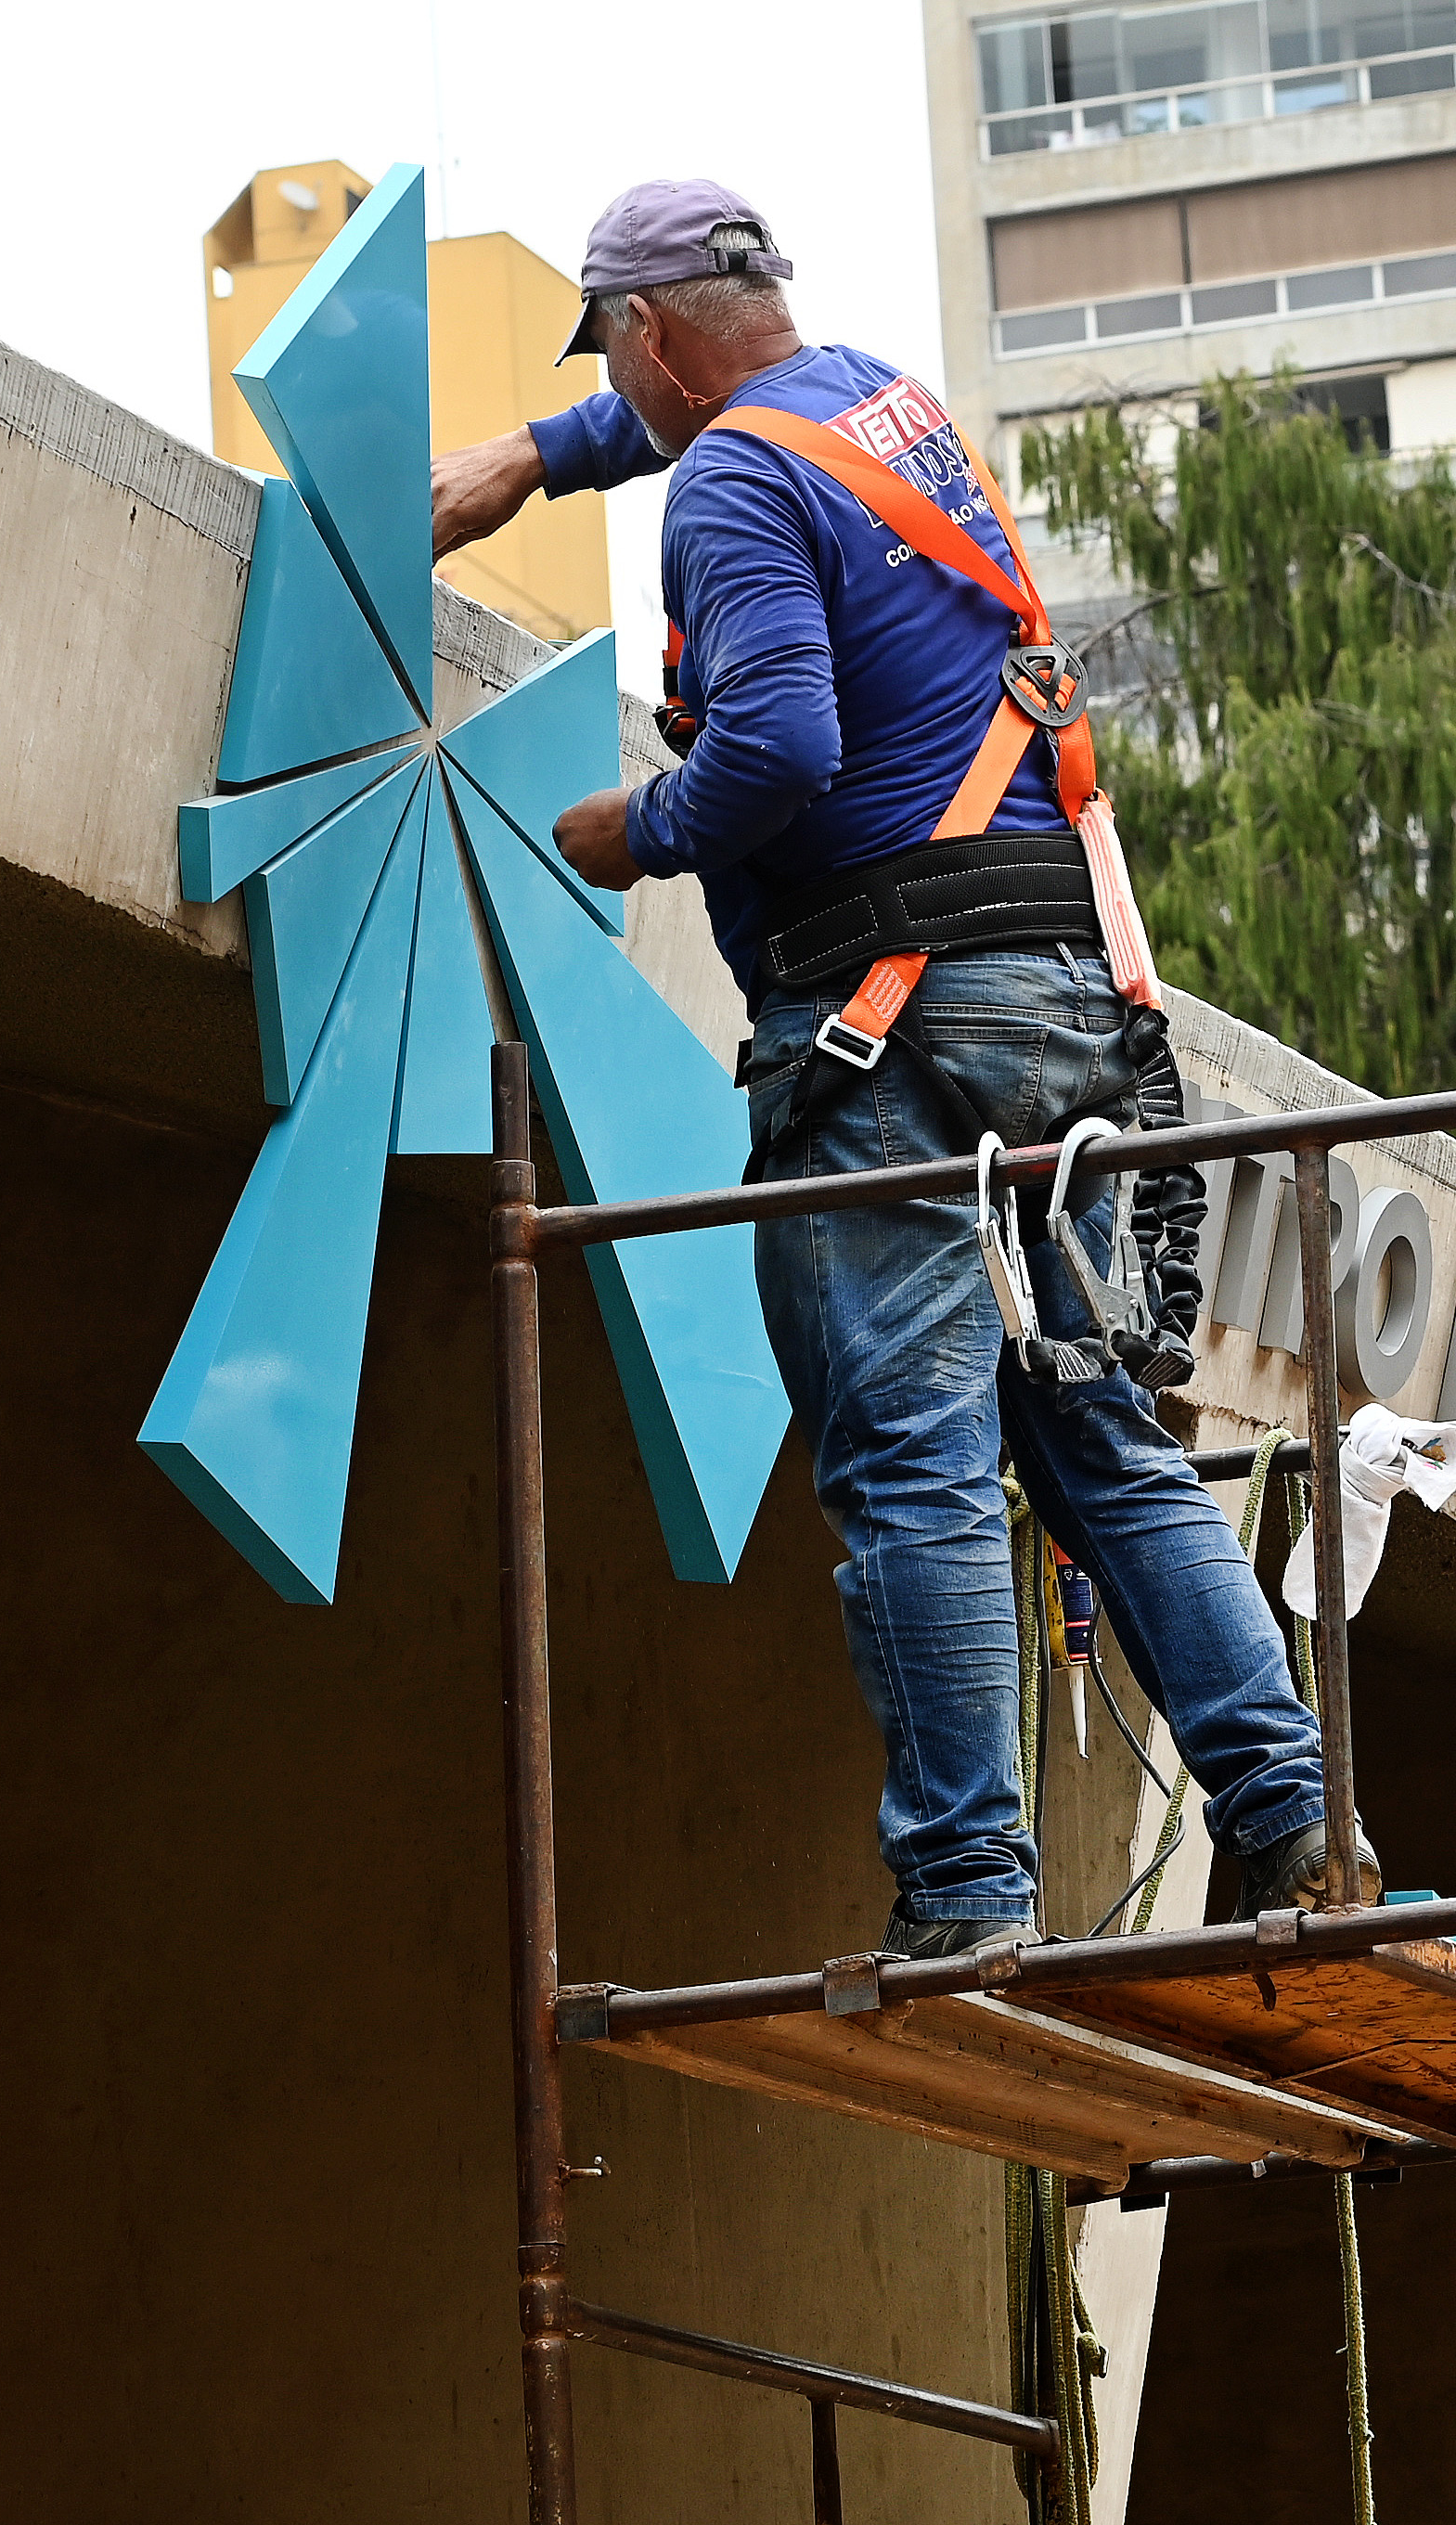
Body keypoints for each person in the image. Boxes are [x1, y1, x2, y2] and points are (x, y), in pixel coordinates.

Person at [432, 178, 1374, 1958]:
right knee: (1100, 1432)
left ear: (646, 331)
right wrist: (544, 458)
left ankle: (966, 1899)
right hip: (1054, 996)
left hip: (887, 1027)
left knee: (913, 1461)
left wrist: (636, 829)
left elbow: (778, 741)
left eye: (615, 355)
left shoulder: (721, 480)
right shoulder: (891, 409)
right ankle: (1296, 1820)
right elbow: (724, 432)